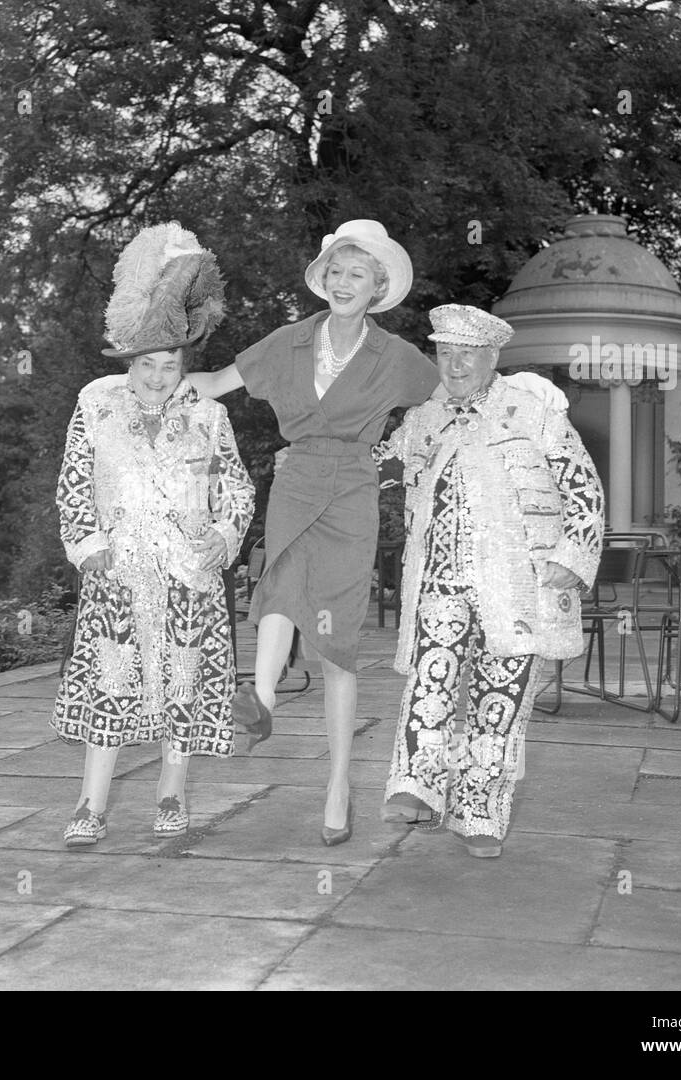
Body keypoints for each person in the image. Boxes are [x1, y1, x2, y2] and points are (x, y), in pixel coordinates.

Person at [187, 220, 562, 846]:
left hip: (354, 492)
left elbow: (461, 388)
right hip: (297, 478)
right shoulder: (287, 342)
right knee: (276, 585)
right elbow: (216, 382)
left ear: (377, 285)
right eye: (334, 270)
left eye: (356, 273)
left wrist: (528, 398)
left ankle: (338, 786)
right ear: (323, 279)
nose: (342, 281)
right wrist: (152, 372)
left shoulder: (396, 358)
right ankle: (259, 702)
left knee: (336, 642)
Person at [374, 304, 604, 857]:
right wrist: (312, 463)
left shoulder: (534, 412)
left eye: (467, 356)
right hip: (438, 579)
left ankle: (479, 810)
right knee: (430, 681)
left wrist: (573, 557)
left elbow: (584, 486)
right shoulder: (423, 419)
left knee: (499, 695)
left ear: (492, 358)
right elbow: (379, 466)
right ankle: (417, 786)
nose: (454, 366)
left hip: (516, 584)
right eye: (446, 354)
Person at [53, 222, 255, 848]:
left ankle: (172, 791)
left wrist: (225, 535)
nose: (159, 376)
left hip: (189, 572)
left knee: (184, 681)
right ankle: (91, 803)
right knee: (110, 682)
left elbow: (238, 489)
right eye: (147, 363)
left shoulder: (209, 415)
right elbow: (73, 486)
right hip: (118, 568)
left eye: (170, 364)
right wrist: (89, 550)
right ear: (128, 361)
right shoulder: (97, 405)